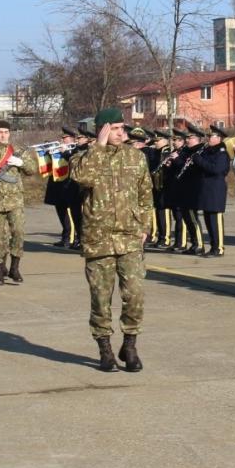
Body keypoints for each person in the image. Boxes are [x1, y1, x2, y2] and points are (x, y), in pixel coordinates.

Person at [70, 108, 153, 372]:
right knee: (100, 298)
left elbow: (145, 193)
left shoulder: (136, 157)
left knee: (135, 294)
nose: (121, 133)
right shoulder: (83, 158)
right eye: (115, 128)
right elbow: (82, 178)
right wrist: (98, 147)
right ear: (103, 129)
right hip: (99, 238)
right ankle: (104, 348)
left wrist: (144, 226)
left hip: (129, 237)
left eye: (122, 128)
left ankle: (130, 345)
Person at [0, 121, 37, 285]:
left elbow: (32, 170)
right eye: (0, 132)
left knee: (18, 232)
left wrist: (22, 163)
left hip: (15, 200)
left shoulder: (16, 150)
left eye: (6, 132)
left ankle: (15, 267)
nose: (3, 135)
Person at [190, 125, 231, 256]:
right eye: (208, 136)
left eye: (211, 136)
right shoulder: (208, 150)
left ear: (219, 138)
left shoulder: (222, 153)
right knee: (208, 220)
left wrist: (198, 160)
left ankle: (218, 248)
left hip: (215, 191)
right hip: (206, 190)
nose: (208, 138)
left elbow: (215, 169)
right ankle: (213, 247)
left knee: (215, 221)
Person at [44, 126, 81, 248]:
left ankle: (71, 238)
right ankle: (65, 236)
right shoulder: (59, 148)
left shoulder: (76, 150)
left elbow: (74, 163)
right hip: (57, 185)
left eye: (65, 138)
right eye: (62, 138)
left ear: (72, 139)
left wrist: (65, 152)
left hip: (69, 185)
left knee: (71, 213)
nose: (62, 140)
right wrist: (48, 152)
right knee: (61, 212)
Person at [175, 126, 208, 255]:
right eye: (187, 137)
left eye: (190, 137)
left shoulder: (201, 151)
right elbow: (181, 165)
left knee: (193, 218)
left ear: (198, 139)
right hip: (183, 188)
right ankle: (194, 243)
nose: (187, 140)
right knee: (187, 218)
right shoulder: (185, 151)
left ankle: (199, 244)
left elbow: (198, 168)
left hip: (194, 189)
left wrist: (179, 160)